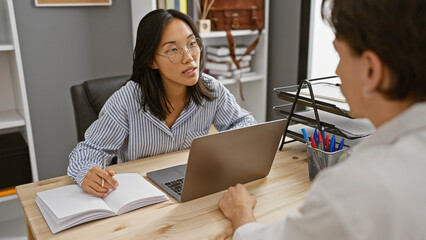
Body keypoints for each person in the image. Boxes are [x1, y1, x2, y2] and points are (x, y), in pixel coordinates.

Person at [219, 0, 426, 239]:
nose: (337, 71)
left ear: (371, 71)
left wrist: (241, 212)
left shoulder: (356, 188)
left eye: (339, 55)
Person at [67, 9, 256, 197]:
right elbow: (90, 150)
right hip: (139, 194)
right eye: (173, 50)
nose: (189, 57)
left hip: (189, 187)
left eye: (192, 43)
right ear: (152, 61)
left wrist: (221, 149)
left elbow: (244, 123)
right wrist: (86, 172)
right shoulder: (126, 100)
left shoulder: (211, 90)